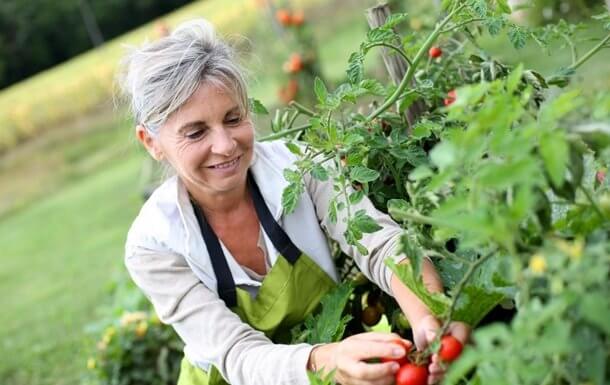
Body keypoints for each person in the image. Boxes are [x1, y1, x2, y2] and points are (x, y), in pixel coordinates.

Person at [118, 19, 469, 385]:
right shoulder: (154, 245)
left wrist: (429, 314)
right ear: (151, 142)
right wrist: (326, 361)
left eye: (234, 118)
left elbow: (380, 246)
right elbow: (236, 353)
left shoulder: (301, 167)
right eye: (196, 132)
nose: (225, 145)